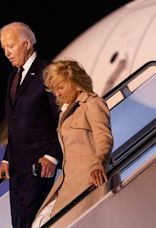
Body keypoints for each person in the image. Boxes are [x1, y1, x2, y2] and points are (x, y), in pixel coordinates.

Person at [32, 59, 114, 228]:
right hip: (68, 180)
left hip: (89, 178)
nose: (58, 94)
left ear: (75, 81)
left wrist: (99, 163)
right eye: (54, 90)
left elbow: (104, 137)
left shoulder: (92, 103)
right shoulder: (65, 113)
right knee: (39, 223)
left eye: (60, 87)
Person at [0, 22, 63, 228]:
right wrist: (7, 159)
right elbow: (16, 124)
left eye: (10, 46)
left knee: (31, 223)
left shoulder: (47, 71)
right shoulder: (12, 77)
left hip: (39, 167)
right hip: (16, 170)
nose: (7, 53)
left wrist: (52, 155)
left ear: (26, 43)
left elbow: (61, 117)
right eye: (3, 48)